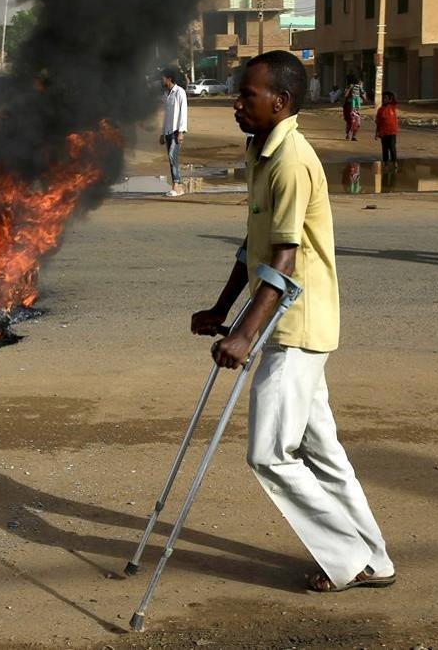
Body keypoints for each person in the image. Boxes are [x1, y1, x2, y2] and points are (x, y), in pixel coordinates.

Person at [193, 50, 396, 594]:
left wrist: (244, 334)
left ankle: (347, 559)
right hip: (287, 322)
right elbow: (252, 246)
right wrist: (221, 309)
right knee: (322, 451)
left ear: (279, 102)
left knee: (267, 454)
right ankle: (373, 556)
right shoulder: (261, 152)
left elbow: (283, 259)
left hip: (296, 327)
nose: (236, 104)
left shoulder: (291, 161)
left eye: (247, 96)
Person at [160, 68, 188, 197]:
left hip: (177, 131)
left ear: (169, 78)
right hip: (168, 131)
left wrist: (181, 131)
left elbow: (183, 113)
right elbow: (166, 115)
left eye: (163, 77)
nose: (162, 80)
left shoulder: (180, 92)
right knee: (172, 159)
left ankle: (177, 185)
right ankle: (178, 187)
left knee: (173, 156)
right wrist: (162, 132)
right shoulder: (167, 94)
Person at [374, 90, 399, 163]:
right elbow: (378, 122)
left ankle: (394, 163)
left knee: (392, 147)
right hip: (383, 132)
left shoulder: (392, 107)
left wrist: (391, 93)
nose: (384, 100)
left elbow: (395, 100)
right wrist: (376, 133)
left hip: (392, 131)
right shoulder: (380, 110)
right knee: (385, 149)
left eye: (386, 98)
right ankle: (386, 164)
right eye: (383, 98)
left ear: (389, 99)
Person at [341, 76, 364, 141]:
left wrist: (362, 92)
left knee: (358, 124)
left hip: (356, 109)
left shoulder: (359, 89)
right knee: (351, 122)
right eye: (360, 83)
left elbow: (364, 97)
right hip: (349, 108)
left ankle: (353, 136)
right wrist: (350, 88)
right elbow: (345, 95)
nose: (360, 84)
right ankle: (348, 134)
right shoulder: (349, 88)